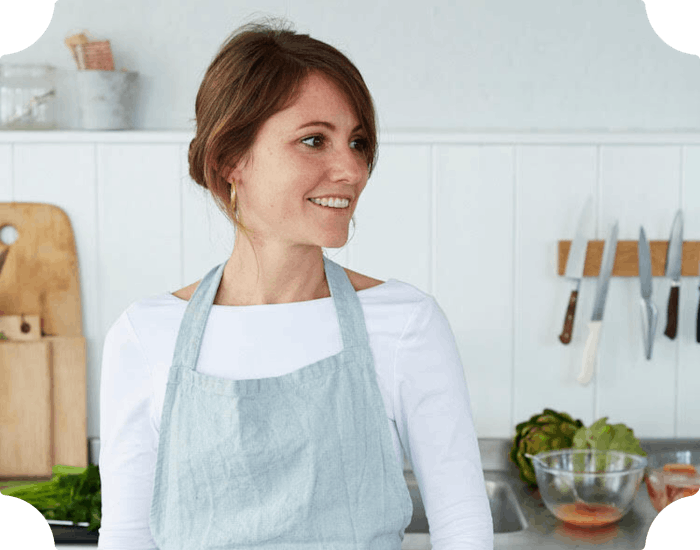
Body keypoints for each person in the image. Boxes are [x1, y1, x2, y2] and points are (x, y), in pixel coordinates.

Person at [98, 18, 494, 550]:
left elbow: (463, 529)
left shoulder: (406, 324)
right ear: (230, 160)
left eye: (357, 142)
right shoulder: (146, 337)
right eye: (314, 140)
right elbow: (127, 539)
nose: (352, 169)